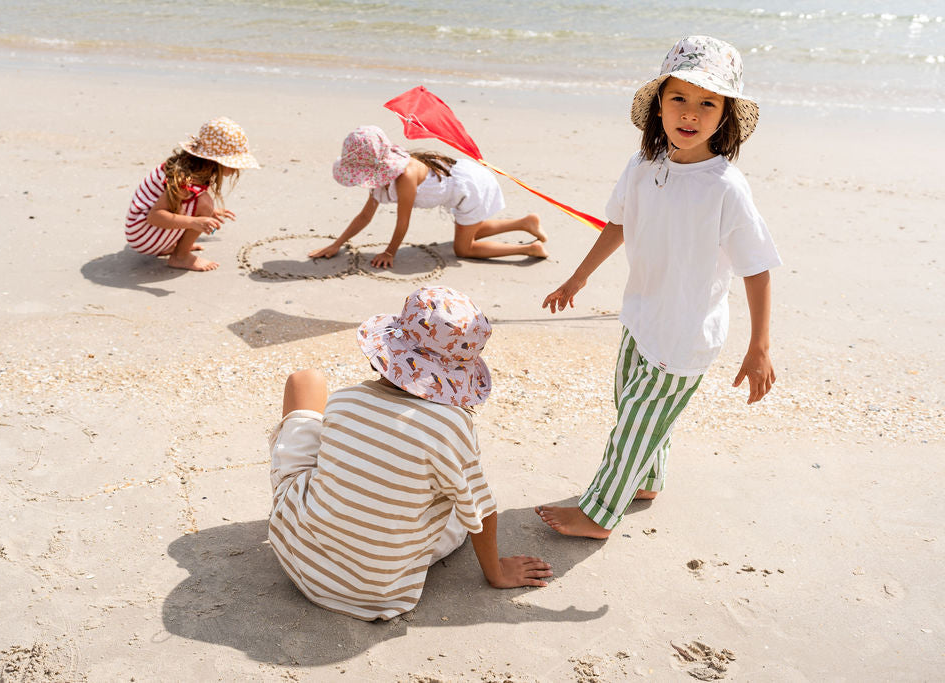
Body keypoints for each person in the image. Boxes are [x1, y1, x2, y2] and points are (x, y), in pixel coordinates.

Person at [537, 36, 781, 540]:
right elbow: (619, 224)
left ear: (726, 116)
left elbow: (756, 267)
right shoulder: (643, 167)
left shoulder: (725, 188)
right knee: (631, 405)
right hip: (642, 315)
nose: (690, 114)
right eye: (680, 99)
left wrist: (760, 346)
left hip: (686, 332)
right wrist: (578, 277)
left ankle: (598, 513)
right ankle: (647, 480)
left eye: (707, 102)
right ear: (659, 105)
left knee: (635, 426)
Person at [267, 286, 552, 620]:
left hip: (299, 557)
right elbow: (481, 511)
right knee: (458, 511)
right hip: (380, 590)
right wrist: (496, 572)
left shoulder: (345, 401)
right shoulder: (451, 425)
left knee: (306, 381)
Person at [309, 125, 548, 268]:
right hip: (462, 186)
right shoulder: (381, 179)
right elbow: (364, 216)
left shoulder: (405, 177)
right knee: (474, 229)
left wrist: (390, 252)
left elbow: (403, 222)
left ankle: (529, 249)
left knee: (463, 249)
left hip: (471, 189)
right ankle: (525, 223)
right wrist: (336, 245)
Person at [124, 117, 259, 271]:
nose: (237, 169)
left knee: (205, 206)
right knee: (205, 203)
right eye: (233, 163)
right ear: (215, 161)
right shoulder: (186, 181)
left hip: (140, 231)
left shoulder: (189, 167)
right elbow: (154, 216)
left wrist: (208, 213)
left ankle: (170, 246)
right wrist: (194, 222)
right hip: (143, 234)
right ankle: (180, 257)